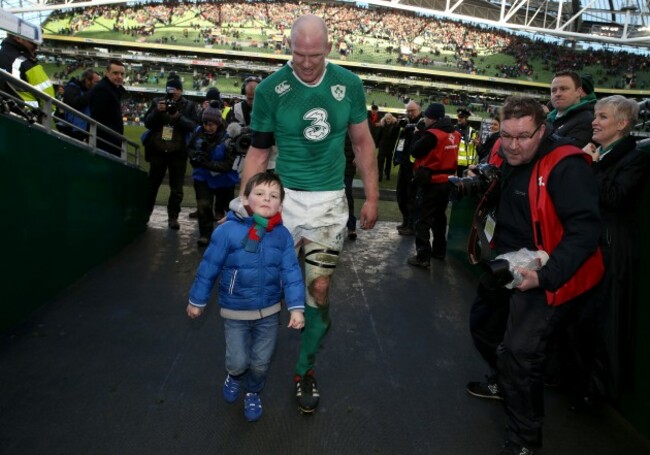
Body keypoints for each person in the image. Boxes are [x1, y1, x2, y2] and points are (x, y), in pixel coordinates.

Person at [237, 14, 379, 414]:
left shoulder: (348, 85)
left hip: (329, 203)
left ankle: (305, 369)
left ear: (328, 50)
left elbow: (364, 145)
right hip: (282, 201)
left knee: (318, 291)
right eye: (298, 54)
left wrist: (370, 197)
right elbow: (259, 152)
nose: (306, 63)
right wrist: (246, 205)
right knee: (259, 284)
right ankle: (246, 362)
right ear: (290, 48)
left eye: (314, 55)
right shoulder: (270, 89)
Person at [467, 96, 603, 454]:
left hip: (547, 270)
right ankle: (502, 382)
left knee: (519, 355)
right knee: (482, 325)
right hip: (505, 261)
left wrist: (545, 276)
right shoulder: (503, 152)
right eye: (507, 135)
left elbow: (586, 232)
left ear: (542, 130)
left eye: (523, 136)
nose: (513, 145)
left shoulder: (567, 165)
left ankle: (524, 441)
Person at [187, 172, 305, 422]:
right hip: (236, 310)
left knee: (261, 363)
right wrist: (197, 301)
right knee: (238, 361)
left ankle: (252, 391)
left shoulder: (282, 235)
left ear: (280, 205)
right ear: (246, 199)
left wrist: (296, 307)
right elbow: (208, 267)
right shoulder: (228, 231)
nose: (266, 198)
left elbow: (291, 271)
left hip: (270, 312)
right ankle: (234, 375)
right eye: (260, 193)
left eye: (274, 196)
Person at [576, 96, 650, 405]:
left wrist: (590, 165)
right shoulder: (599, 153)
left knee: (604, 321)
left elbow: (615, 197)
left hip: (612, 249)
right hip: (591, 243)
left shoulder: (635, 157)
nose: (594, 121)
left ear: (621, 124)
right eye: (595, 116)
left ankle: (597, 391)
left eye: (602, 117)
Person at [406, 103, 460, 268]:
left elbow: (415, 151)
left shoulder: (432, 135)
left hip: (432, 182)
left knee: (423, 219)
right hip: (448, 181)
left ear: (432, 118)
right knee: (439, 218)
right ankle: (439, 251)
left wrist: (417, 134)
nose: (424, 120)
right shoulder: (455, 134)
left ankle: (423, 256)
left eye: (426, 117)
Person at [143, 76, 199, 229]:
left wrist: (178, 116)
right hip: (158, 150)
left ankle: (173, 217)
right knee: (152, 185)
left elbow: (194, 126)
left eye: (176, 90)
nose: (173, 93)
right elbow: (147, 122)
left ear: (181, 90)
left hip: (178, 151)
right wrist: (156, 111)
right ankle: (145, 214)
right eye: (170, 90)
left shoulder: (189, 105)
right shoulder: (157, 102)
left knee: (177, 188)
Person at [187, 105, 240, 246]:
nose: (207, 127)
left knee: (229, 210)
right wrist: (193, 157)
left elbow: (229, 164)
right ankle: (205, 234)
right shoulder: (198, 131)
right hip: (203, 177)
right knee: (203, 205)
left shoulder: (228, 138)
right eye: (205, 123)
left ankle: (232, 236)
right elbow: (190, 148)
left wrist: (206, 163)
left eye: (211, 124)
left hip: (225, 180)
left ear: (218, 123)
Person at [0, 33, 55, 108]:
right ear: (18, 38)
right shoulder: (27, 64)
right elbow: (48, 100)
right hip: (25, 115)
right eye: (34, 44)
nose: (36, 48)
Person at [394, 100, 422, 236]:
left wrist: (413, 130)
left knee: (412, 197)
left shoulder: (423, 123)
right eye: (408, 111)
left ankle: (412, 225)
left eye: (412, 111)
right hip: (404, 163)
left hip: (414, 167)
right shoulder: (406, 123)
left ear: (419, 110)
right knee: (401, 195)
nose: (410, 113)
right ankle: (405, 221)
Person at [547, 70, 595, 147]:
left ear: (579, 92)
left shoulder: (587, 121)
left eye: (564, 89)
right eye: (554, 90)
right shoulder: (548, 118)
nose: (557, 94)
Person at [89, 59, 127, 156]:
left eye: (122, 74)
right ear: (106, 73)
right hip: (106, 142)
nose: (119, 76)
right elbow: (98, 118)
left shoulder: (112, 88)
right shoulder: (103, 89)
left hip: (111, 140)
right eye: (115, 73)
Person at [58, 69, 101, 141]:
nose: (98, 85)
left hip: (88, 131)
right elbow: (76, 103)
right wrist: (92, 92)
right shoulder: (72, 88)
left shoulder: (89, 92)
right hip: (73, 131)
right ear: (87, 80)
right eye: (96, 82)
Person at [376, 113, 400, 182]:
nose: (388, 120)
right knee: (380, 161)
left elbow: (396, 136)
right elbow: (378, 135)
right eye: (387, 118)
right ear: (385, 119)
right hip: (382, 146)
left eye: (389, 118)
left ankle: (387, 174)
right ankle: (379, 176)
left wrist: (394, 147)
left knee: (389, 162)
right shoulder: (382, 126)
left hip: (390, 147)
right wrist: (376, 145)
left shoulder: (395, 126)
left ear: (391, 118)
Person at [456, 108, 477, 174]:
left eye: (461, 117)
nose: (459, 119)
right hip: (455, 162)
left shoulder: (472, 131)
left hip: (467, 164)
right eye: (458, 117)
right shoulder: (454, 129)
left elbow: (474, 147)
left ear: (466, 118)